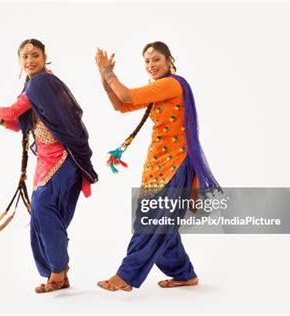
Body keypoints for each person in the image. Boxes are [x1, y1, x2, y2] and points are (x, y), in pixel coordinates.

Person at [0, 39, 98, 293]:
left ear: (45, 57)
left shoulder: (42, 83)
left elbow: (10, 113)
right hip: (46, 163)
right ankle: (59, 273)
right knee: (43, 219)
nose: (30, 60)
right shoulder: (32, 87)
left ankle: (57, 272)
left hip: (63, 160)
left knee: (44, 213)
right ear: (19, 61)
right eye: (25, 56)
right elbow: (18, 124)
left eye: (35, 55)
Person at [95, 41, 221, 291]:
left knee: (152, 219)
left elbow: (127, 95)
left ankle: (126, 275)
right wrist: (103, 77)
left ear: (169, 61)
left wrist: (108, 72)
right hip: (157, 162)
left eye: (156, 60)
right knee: (162, 221)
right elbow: (120, 105)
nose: (151, 65)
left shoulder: (172, 84)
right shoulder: (157, 88)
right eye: (147, 61)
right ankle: (184, 274)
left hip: (176, 162)